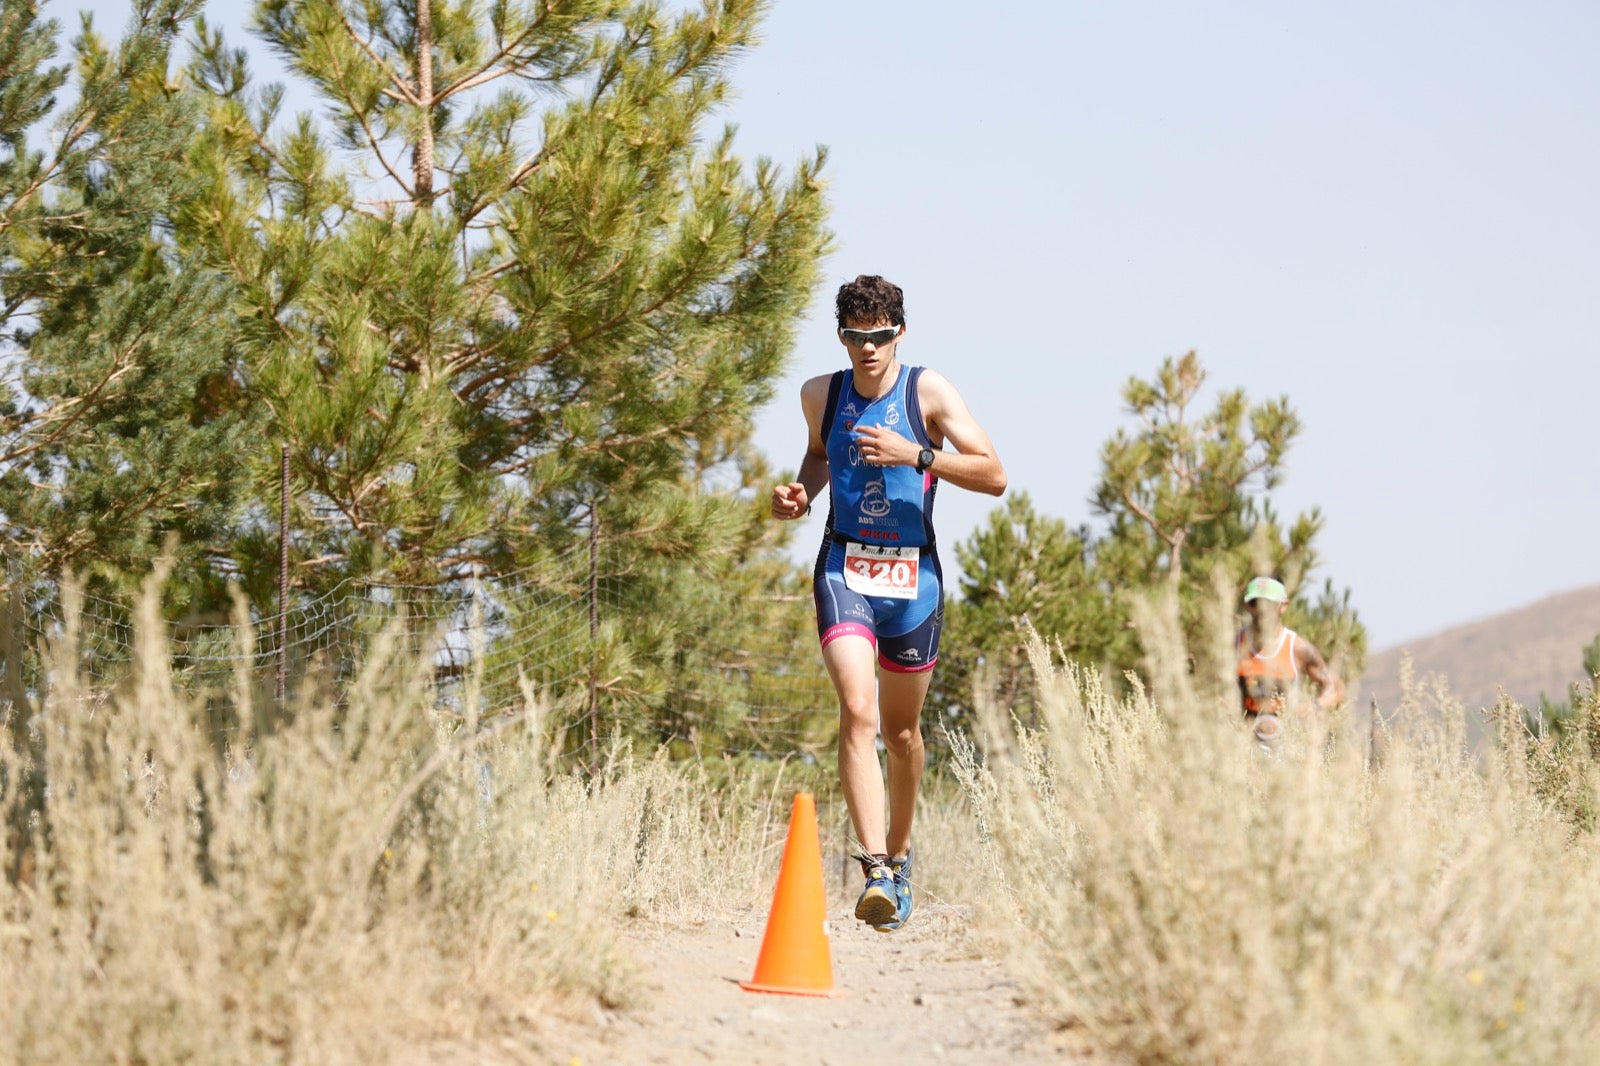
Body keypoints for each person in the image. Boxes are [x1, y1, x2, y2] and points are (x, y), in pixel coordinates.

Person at [770, 274, 1006, 930]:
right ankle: (874, 868)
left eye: (878, 336)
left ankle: (900, 858)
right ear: (841, 336)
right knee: (857, 710)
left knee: (901, 734)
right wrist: (799, 494)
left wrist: (917, 454)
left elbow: (994, 475)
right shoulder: (821, 394)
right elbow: (818, 456)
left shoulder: (928, 392)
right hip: (844, 567)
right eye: (855, 337)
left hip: (913, 579)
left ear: (900, 332)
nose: (867, 348)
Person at [1236, 575, 1347, 746]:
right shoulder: (1234, 645)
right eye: (1255, 603)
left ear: (1283, 606)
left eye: (1269, 604)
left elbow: (1336, 688)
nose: (1262, 611)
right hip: (1242, 747)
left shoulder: (1297, 648)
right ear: (1247, 606)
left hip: (1285, 748)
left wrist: (1315, 707)